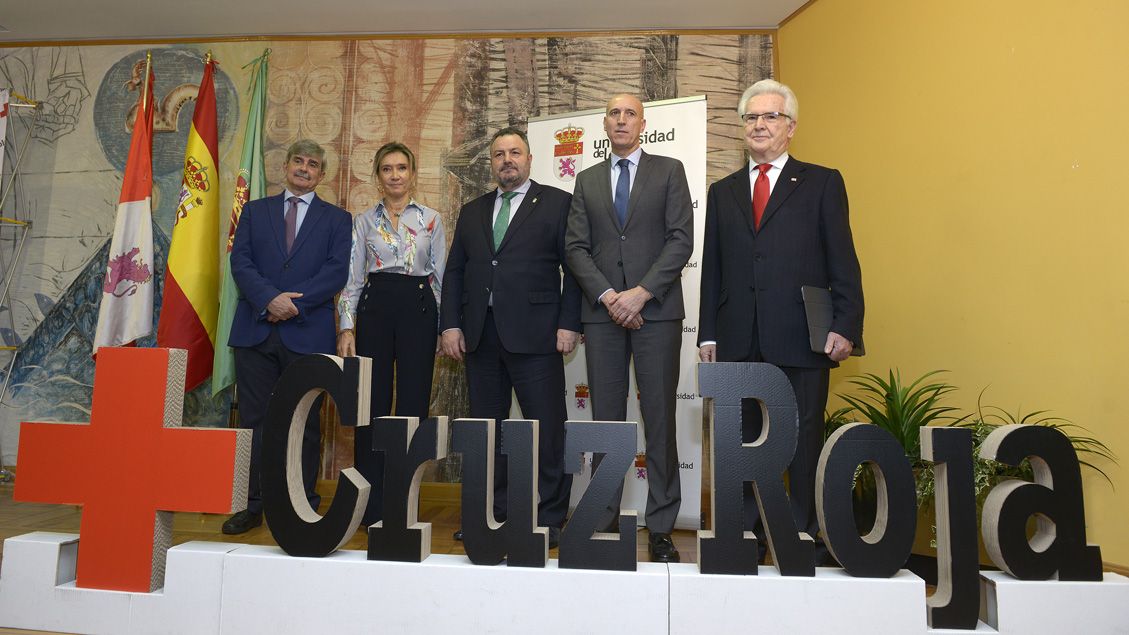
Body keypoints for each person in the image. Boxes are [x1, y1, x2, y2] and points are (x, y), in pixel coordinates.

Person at [697, 79, 864, 564]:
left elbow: (843, 261)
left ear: (789, 127)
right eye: (751, 118)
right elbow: (715, 268)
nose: (759, 125)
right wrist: (709, 331)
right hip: (738, 337)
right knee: (742, 438)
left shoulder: (822, 181)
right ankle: (745, 535)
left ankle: (801, 535)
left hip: (802, 336)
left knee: (804, 436)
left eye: (769, 117)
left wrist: (846, 324)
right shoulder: (723, 190)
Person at [564, 94, 693, 563]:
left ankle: (661, 526)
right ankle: (602, 516)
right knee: (607, 421)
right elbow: (575, 248)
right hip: (602, 316)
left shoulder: (670, 170)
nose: (621, 120)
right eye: (614, 114)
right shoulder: (587, 180)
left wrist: (640, 293)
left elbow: (681, 240)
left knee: (659, 420)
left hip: (656, 313)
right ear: (604, 124)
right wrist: (609, 297)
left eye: (630, 113)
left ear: (643, 122)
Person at [440, 127, 581, 548]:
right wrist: (451, 324)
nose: (507, 160)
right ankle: (493, 513)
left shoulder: (558, 203)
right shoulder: (473, 210)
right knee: (488, 431)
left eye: (514, 152)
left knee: (548, 430)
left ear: (529, 158)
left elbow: (573, 269)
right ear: (492, 163)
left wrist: (569, 323)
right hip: (480, 339)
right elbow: (455, 273)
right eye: (499, 154)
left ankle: (551, 515)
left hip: (537, 337)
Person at [222, 139, 353, 535]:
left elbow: (336, 272)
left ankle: (303, 502)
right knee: (254, 420)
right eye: (299, 160)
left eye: (313, 164)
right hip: (256, 331)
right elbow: (239, 260)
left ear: (321, 174)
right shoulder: (254, 211)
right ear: (286, 166)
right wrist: (269, 299)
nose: (304, 168)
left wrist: (294, 304)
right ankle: (253, 504)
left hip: (306, 331)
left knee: (306, 422)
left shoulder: (337, 219)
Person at [337, 142, 446, 526]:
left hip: (418, 310)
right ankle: (372, 501)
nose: (395, 175)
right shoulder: (364, 222)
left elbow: (440, 281)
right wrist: (346, 326)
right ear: (378, 176)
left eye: (402, 168)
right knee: (373, 405)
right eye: (387, 169)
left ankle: (404, 500)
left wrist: (440, 329)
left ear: (412, 173)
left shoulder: (432, 219)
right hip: (376, 308)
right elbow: (351, 280)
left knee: (414, 405)